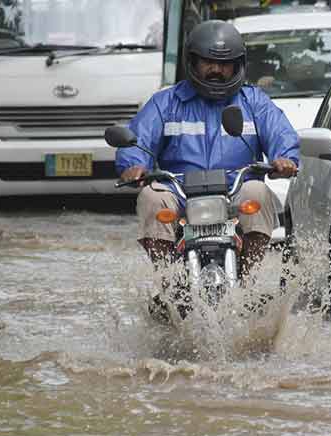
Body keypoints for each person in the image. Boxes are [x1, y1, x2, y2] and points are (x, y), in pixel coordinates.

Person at [115, 20, 299, 282]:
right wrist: (133, 166)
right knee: (152, 197)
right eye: (208, 62)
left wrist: (285, 159)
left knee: (258, 192)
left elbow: (281, 133)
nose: (216, 70)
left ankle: (249, 280)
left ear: (237, 65)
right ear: (192, 62)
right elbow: (139, 137)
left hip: (236, 192)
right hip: (178, 194)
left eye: (224, 64)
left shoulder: (254, 102)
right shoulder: (165, 102)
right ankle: (168, 281)